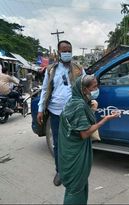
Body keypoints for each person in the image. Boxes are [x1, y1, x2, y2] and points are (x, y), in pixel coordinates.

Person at [58, 75, 119, 204]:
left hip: (72, 149)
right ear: (84, 89)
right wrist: (106, 119)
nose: (96, 89)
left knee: (79, 183)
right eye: (94, 87)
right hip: (75, 152)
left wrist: (92, 108)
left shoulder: (76, 101)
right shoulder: (79, 105)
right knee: (75, 188)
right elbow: (85, 134)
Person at [37, 40, 84, 186]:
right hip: (55, 112)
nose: (67, 52)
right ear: (58, 52)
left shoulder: (79, 69)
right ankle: (60, 171)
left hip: (74, 112)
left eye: (69, 50)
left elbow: (87, 86)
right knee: (58, 143)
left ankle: (75, 169)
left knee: (75, 141)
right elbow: (45, 89)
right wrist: (40, 109)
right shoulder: (51, 70)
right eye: (64, 50)